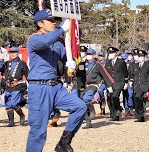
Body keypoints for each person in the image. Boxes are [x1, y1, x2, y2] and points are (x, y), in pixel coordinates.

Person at [26, 9, 87, 152]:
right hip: (39, 87)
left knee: (79, 106)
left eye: (55, 21)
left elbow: (68, 57)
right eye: (50, 21)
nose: (54, 23)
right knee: (38, 130)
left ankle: (63, 143)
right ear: (40, 23)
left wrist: (74, 61)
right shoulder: (35, 39)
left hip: (55, 87)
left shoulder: (57, 44)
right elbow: (47, 40)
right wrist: (61, 29)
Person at [1, 46, 28, 127]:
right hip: (7, 86)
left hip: (17, 85)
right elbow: (1, 69)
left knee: (14, 103)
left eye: (14, 52)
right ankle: (11, 121)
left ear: (18, 53)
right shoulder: (6, 63)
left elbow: (27, 74)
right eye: (11, 52)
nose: (12, 54)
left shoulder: (22, 63)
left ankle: (21, 115)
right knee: (8, 104)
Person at [129, 50, 149, 122]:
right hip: (136, 85)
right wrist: (131, 81)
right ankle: (139, 115)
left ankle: (141, 116)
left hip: (144, 84)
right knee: (136, 99)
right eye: (139, 56)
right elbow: (132, 74)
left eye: (141, 56)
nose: (140, 58)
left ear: (144, 57)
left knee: (138, 97)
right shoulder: (135, 65)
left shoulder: (148, 64)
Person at [105, 46, 128, 121]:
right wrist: (108, 84)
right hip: (110, 83)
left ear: (116, 53)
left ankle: (118, 109)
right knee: (109, 98)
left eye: (112, 53)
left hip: (119, 82)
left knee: (115, 96)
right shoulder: (107, 62)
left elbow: (125, 73)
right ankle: (113, 115)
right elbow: (106, 74)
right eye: (109, 53)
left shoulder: (121, 62)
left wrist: (126, 82)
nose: (111, 54)